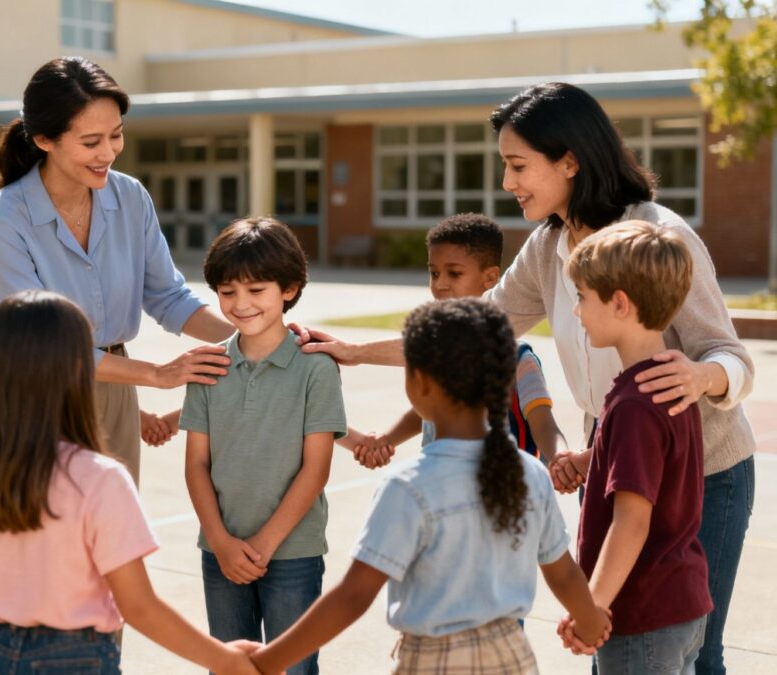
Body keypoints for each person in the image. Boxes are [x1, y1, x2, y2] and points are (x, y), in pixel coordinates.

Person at [297, 82, 755, 674]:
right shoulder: (548, 248)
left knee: (693, 649)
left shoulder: (655, 237)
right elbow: (471, 326)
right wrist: (353, 351)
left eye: (518, 166)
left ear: (570, 161)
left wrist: (702, 375)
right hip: (611, 463)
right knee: (614, 638)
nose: (508, 184)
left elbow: (733, 357)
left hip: (706, 474)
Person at [0, 290, 259, 674]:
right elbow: (139, 606)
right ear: (79, 373)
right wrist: (225, 660)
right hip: (81, 658)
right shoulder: (101, 479)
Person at [250, 299, 609, 674]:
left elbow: (353, 596)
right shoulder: (529, 473)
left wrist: (266, 660)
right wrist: (591, 622)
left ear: (417, 382)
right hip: (512, 657)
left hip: (433, 661)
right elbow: (563, 571)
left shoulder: (408, 487)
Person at [0, 57, 234, 484]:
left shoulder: (130, 196)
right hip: (38, 397)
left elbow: (168, 297)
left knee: (115, 538)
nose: (108, 153)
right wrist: (157, 374)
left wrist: (257, 340)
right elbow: (43, 345)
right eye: (91, 141)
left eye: (116, 136)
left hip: (116, 387)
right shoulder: (2, 221)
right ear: (44, 139)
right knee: (51, 540)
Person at [181, 218, 347, 674]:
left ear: (290, 288)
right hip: (221, 553)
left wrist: (263, 545)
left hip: (293, 553)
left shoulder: (317, 368)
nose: (240, 304)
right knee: (229, 667)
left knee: (293, 668)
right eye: (228, 291)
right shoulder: (209, 365)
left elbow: (316, 469)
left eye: (256, 290)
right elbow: (196, 465)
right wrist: (220, 541)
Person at [563, 220, 712, 672]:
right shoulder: (670, 384)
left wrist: (592, 607)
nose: (576, 312)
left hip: (642, 618)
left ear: (620, 303)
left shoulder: (634, 403)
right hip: (681, 606)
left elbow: (632, 523)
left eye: (583, 298)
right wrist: (593, 458)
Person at [338, 213, 568, 469]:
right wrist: (387, 439)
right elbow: (433, 410)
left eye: (454, 274)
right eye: (434, 273)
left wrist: (560, 459)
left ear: (491, 277)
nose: (441, 285)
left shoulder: (518, 359)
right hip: (440, 482)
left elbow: (543, 423)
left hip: (500, 493)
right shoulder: (441, 352)